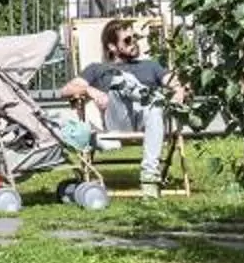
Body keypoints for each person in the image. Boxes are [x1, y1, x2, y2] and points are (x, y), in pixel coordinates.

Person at [58, 19, 173, 192]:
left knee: (155, 103)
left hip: (147, 120)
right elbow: (66, 90)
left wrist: (180, 92)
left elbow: (176, 84)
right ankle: (141, 92)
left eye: (135, 37)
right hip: (119, 121)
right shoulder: (97, 69)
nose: (133, 42)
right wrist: (90, 90)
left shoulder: (151, 65)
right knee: (121, 80)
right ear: (112, 47)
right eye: (127, 40)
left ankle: (149, 175)